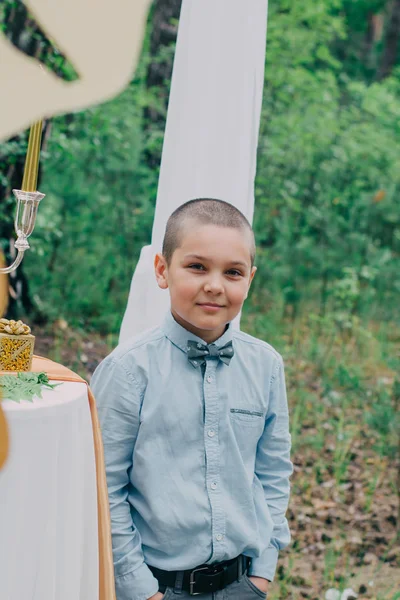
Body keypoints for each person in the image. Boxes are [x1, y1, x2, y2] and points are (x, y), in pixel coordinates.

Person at [91, 198, 293, 600]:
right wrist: (141, 590)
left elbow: (272, 472)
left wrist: (263, 572)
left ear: (249, 279)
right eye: (197, 267)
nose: (215, 285)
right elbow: (104, 488)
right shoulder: (128, 371)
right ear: (163, 270)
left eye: (232, 272)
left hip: (242, 584)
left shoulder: (266, 365)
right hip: (158, 586)